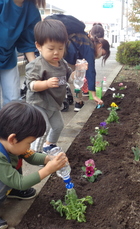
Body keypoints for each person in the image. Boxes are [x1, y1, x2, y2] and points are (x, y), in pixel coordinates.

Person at [0, 101, 69, 229]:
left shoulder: (10, 143)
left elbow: (32, 156)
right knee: (7, 178)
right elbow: (20, 182)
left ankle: (12, 191)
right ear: (13, 139)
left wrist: (49, 159)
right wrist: (48, 169)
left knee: (14, 163)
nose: (29, 147)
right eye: (29, 143)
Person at [25, 19, 84, 153]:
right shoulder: (37, 65)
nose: (56, 52)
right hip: (39, 103)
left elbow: (69, 78)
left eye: (60, 48)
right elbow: (31, 85)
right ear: (39, 46)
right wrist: (46, 84)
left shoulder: (62, 63)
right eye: (51, 49)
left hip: (54, 103)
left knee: (58, 126)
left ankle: (49, 145)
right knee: (43, 128)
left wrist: (79, 72)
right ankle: (34, 153)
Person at [64, 24, 110, 112]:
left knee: (74, 77)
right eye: (103, 54)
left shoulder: (87, 40)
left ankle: (76, 100)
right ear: (100, 45)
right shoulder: (90, 47)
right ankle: (77, 102)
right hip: (67, 55)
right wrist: (94, 95)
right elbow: (91, 71)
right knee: (76, 78)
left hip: (68, 55)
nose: (100, 56)